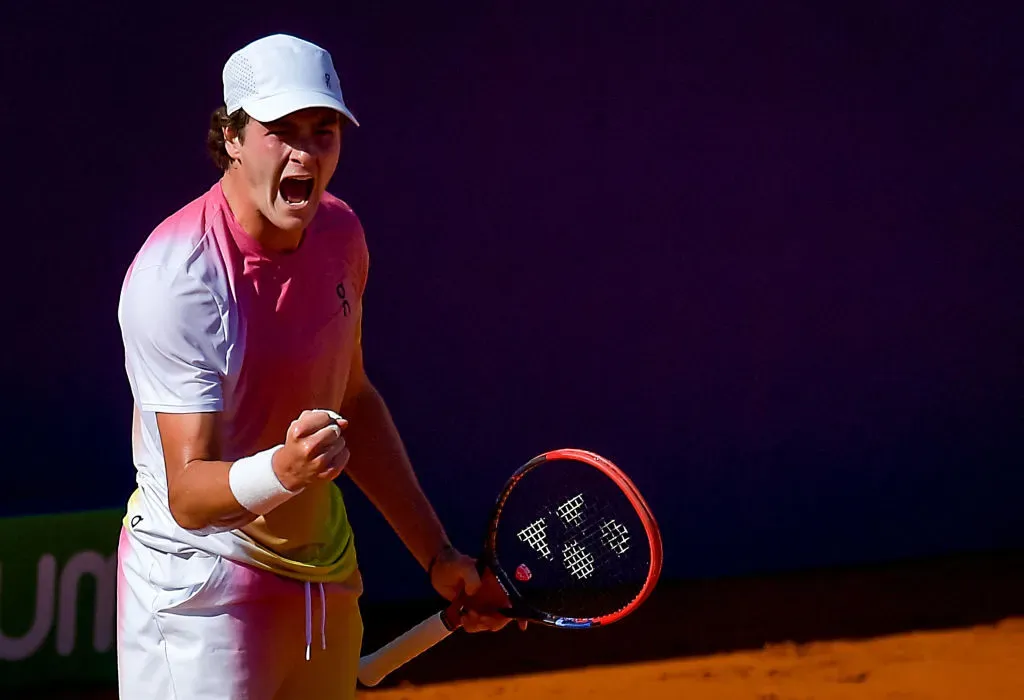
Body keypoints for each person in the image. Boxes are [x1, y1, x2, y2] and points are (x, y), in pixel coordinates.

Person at [115, 33, 511, 700]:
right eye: (279, 131)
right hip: (201, 593)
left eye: (322, 130)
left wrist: (437, 555)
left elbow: (351, 400)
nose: (305, 152)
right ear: (232, 137)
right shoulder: (179, 278)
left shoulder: (340, 235)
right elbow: (188, 494)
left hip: (322, 576)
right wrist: (285, 469)